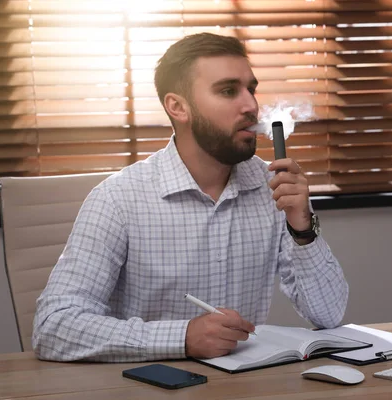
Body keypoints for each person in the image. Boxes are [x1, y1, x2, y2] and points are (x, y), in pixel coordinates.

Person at [32, 32, 348, 362]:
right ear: (178, 107)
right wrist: (182, 338)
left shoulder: (276, 189)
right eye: (228, 91)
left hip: (246, 387)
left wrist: (302, 229)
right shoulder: (118, 199)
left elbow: (328, 315)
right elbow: (54, 326)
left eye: (250, 89)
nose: (251, 105)